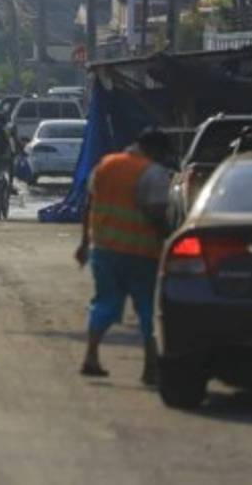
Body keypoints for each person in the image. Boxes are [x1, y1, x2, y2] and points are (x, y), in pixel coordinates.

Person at [74, 129, 173, 384]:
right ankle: (150, 366)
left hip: (104, 250)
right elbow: (157, 213)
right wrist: (170, 238)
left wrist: (84, 243)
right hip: (141, 252)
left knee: (104, 303)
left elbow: (89, 205)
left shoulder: (106, 165)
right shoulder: (154, 173)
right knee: (146, 309)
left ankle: (91, 356)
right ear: (155, 150)